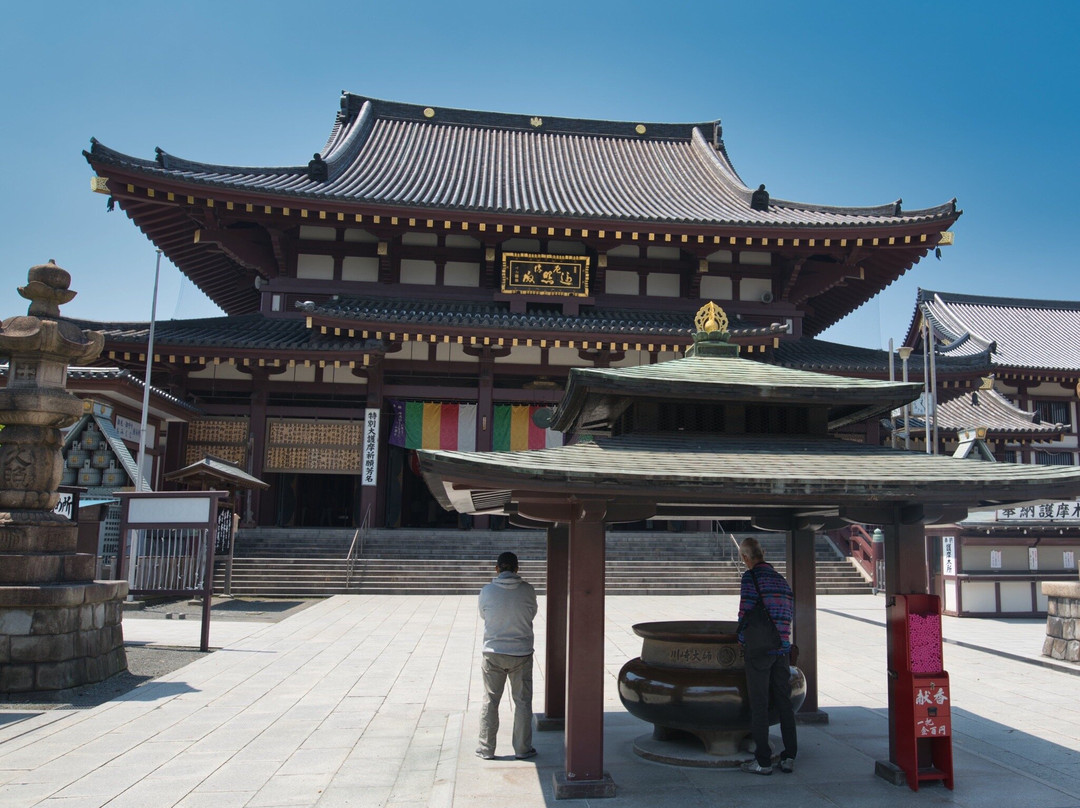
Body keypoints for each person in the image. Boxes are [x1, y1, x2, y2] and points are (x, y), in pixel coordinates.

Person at [737, 536, 797, 775]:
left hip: (759, 650)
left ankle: (762, 761)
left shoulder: (750, 577)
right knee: (784, 703)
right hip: (782, 649)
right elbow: (788, 613)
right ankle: (789, 755)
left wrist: (742, 640)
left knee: (759, 704)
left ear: (745, 557)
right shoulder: (781, 581)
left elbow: (745, 611)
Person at [476, 551, 538, 760]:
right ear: (517, 568)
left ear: (497, 569)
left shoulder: (487, 591)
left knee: (490, 701)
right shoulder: (528, 590)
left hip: (493, 652)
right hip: (521, 652)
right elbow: (532, 614)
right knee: (522, 702)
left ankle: (486, 748)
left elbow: (483, 614)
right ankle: (522, 748)